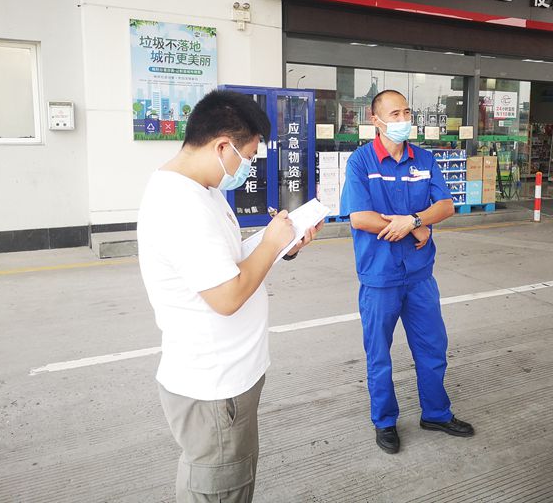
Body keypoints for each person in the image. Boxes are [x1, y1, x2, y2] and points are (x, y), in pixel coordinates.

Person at [137, 89, 321, 502]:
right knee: (220, 487)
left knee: (222, 477)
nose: (248, 167)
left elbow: (230, 261)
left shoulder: (202, 189)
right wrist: (271, 243)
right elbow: (227, 296)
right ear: (223, 146)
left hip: (228, 380)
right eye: (249, 156)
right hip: (214, 388)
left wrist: (282, 245)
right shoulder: (180, 205)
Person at [340, 89, 474, 454]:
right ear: (376, 120)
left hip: (419, 275)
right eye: (395, 114)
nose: (403, 120)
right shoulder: (361, 162)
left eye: (407, 113)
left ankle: (436, 413)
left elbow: (445, 205)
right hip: (379, 277)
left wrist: (415, 220)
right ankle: (385, 421)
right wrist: (412, 227)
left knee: (432, 349)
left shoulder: (424, 159)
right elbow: (359, 217)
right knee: (379, 355)